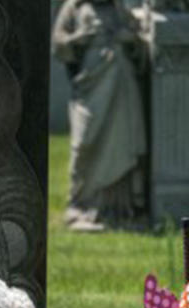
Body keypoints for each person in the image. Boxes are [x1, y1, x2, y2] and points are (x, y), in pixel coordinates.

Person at [53, 0, 147, 231]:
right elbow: (58, 43)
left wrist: (130, 40)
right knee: (84, 142)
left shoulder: (119, 8)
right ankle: (81, 204)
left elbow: (141, 43)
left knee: (120, 141)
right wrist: (77, 39)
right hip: (90, 81)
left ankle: (119, 210)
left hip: (121, 82)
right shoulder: (74, 7)